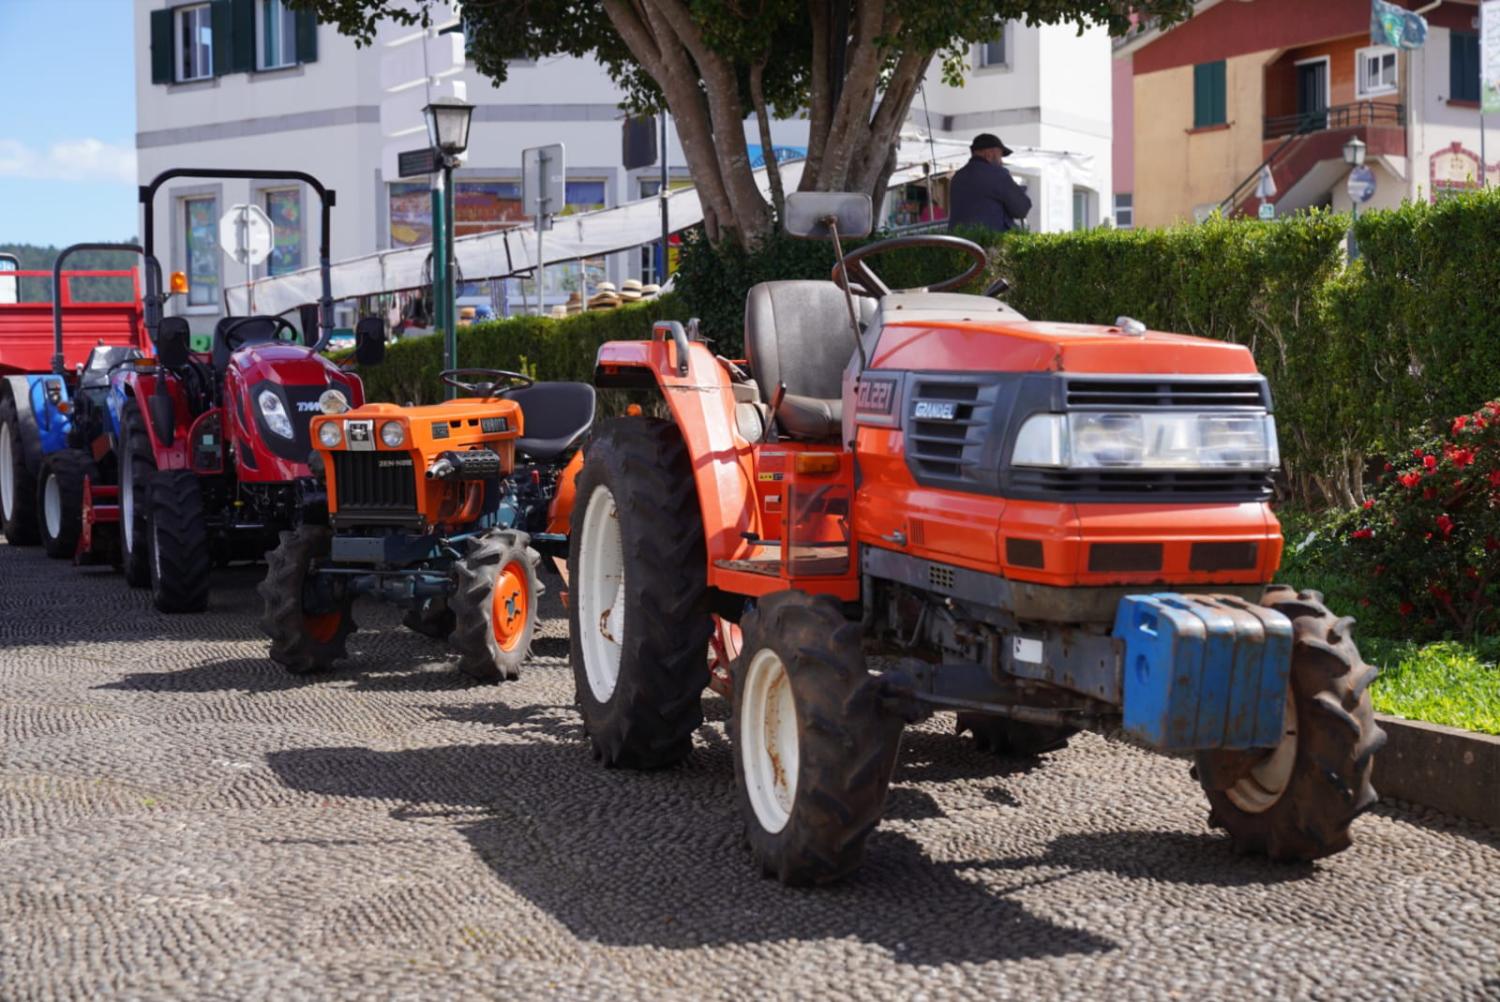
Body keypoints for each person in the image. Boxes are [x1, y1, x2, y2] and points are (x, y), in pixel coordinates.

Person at [948, 134, 1032, 234]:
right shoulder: (997, 174)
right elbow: (1021, 209)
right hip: (988, 244)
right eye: (1000, 156)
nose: (1001, 162)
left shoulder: (958, 177)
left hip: (959, 244)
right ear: (989, 154)